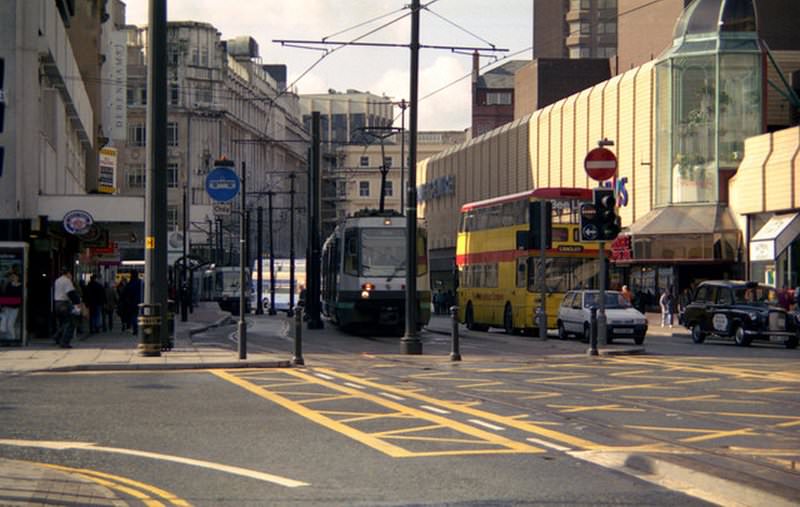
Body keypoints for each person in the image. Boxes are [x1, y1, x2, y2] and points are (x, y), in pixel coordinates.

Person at [53, 266, 80, 348]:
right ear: (68, 273)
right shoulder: (67, 281)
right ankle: (64, 342)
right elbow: (71, 293)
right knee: (70, 323)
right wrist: (77, 303)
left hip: (57, 303)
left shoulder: (57, 280)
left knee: (64, 322)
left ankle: (57, 337)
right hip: (64, 304)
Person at [0, 272, 22, 342]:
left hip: (15, 307)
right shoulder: (7, 285)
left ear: (18, 277)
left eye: (15, 276)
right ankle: (8, 339)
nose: (13, 278)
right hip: (7, 306)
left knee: (10, 324)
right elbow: (3, 295)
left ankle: (12, 339)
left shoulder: (21, 286)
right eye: (12, 276)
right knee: (6, 323)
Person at [121, 270, 143, 335]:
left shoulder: (129, 284)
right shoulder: (140, 282)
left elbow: (125, 294)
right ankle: (139, 328)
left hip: (132, 303)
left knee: (134, 315)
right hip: (140, 301)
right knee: (140, 315)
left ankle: (135, 328)